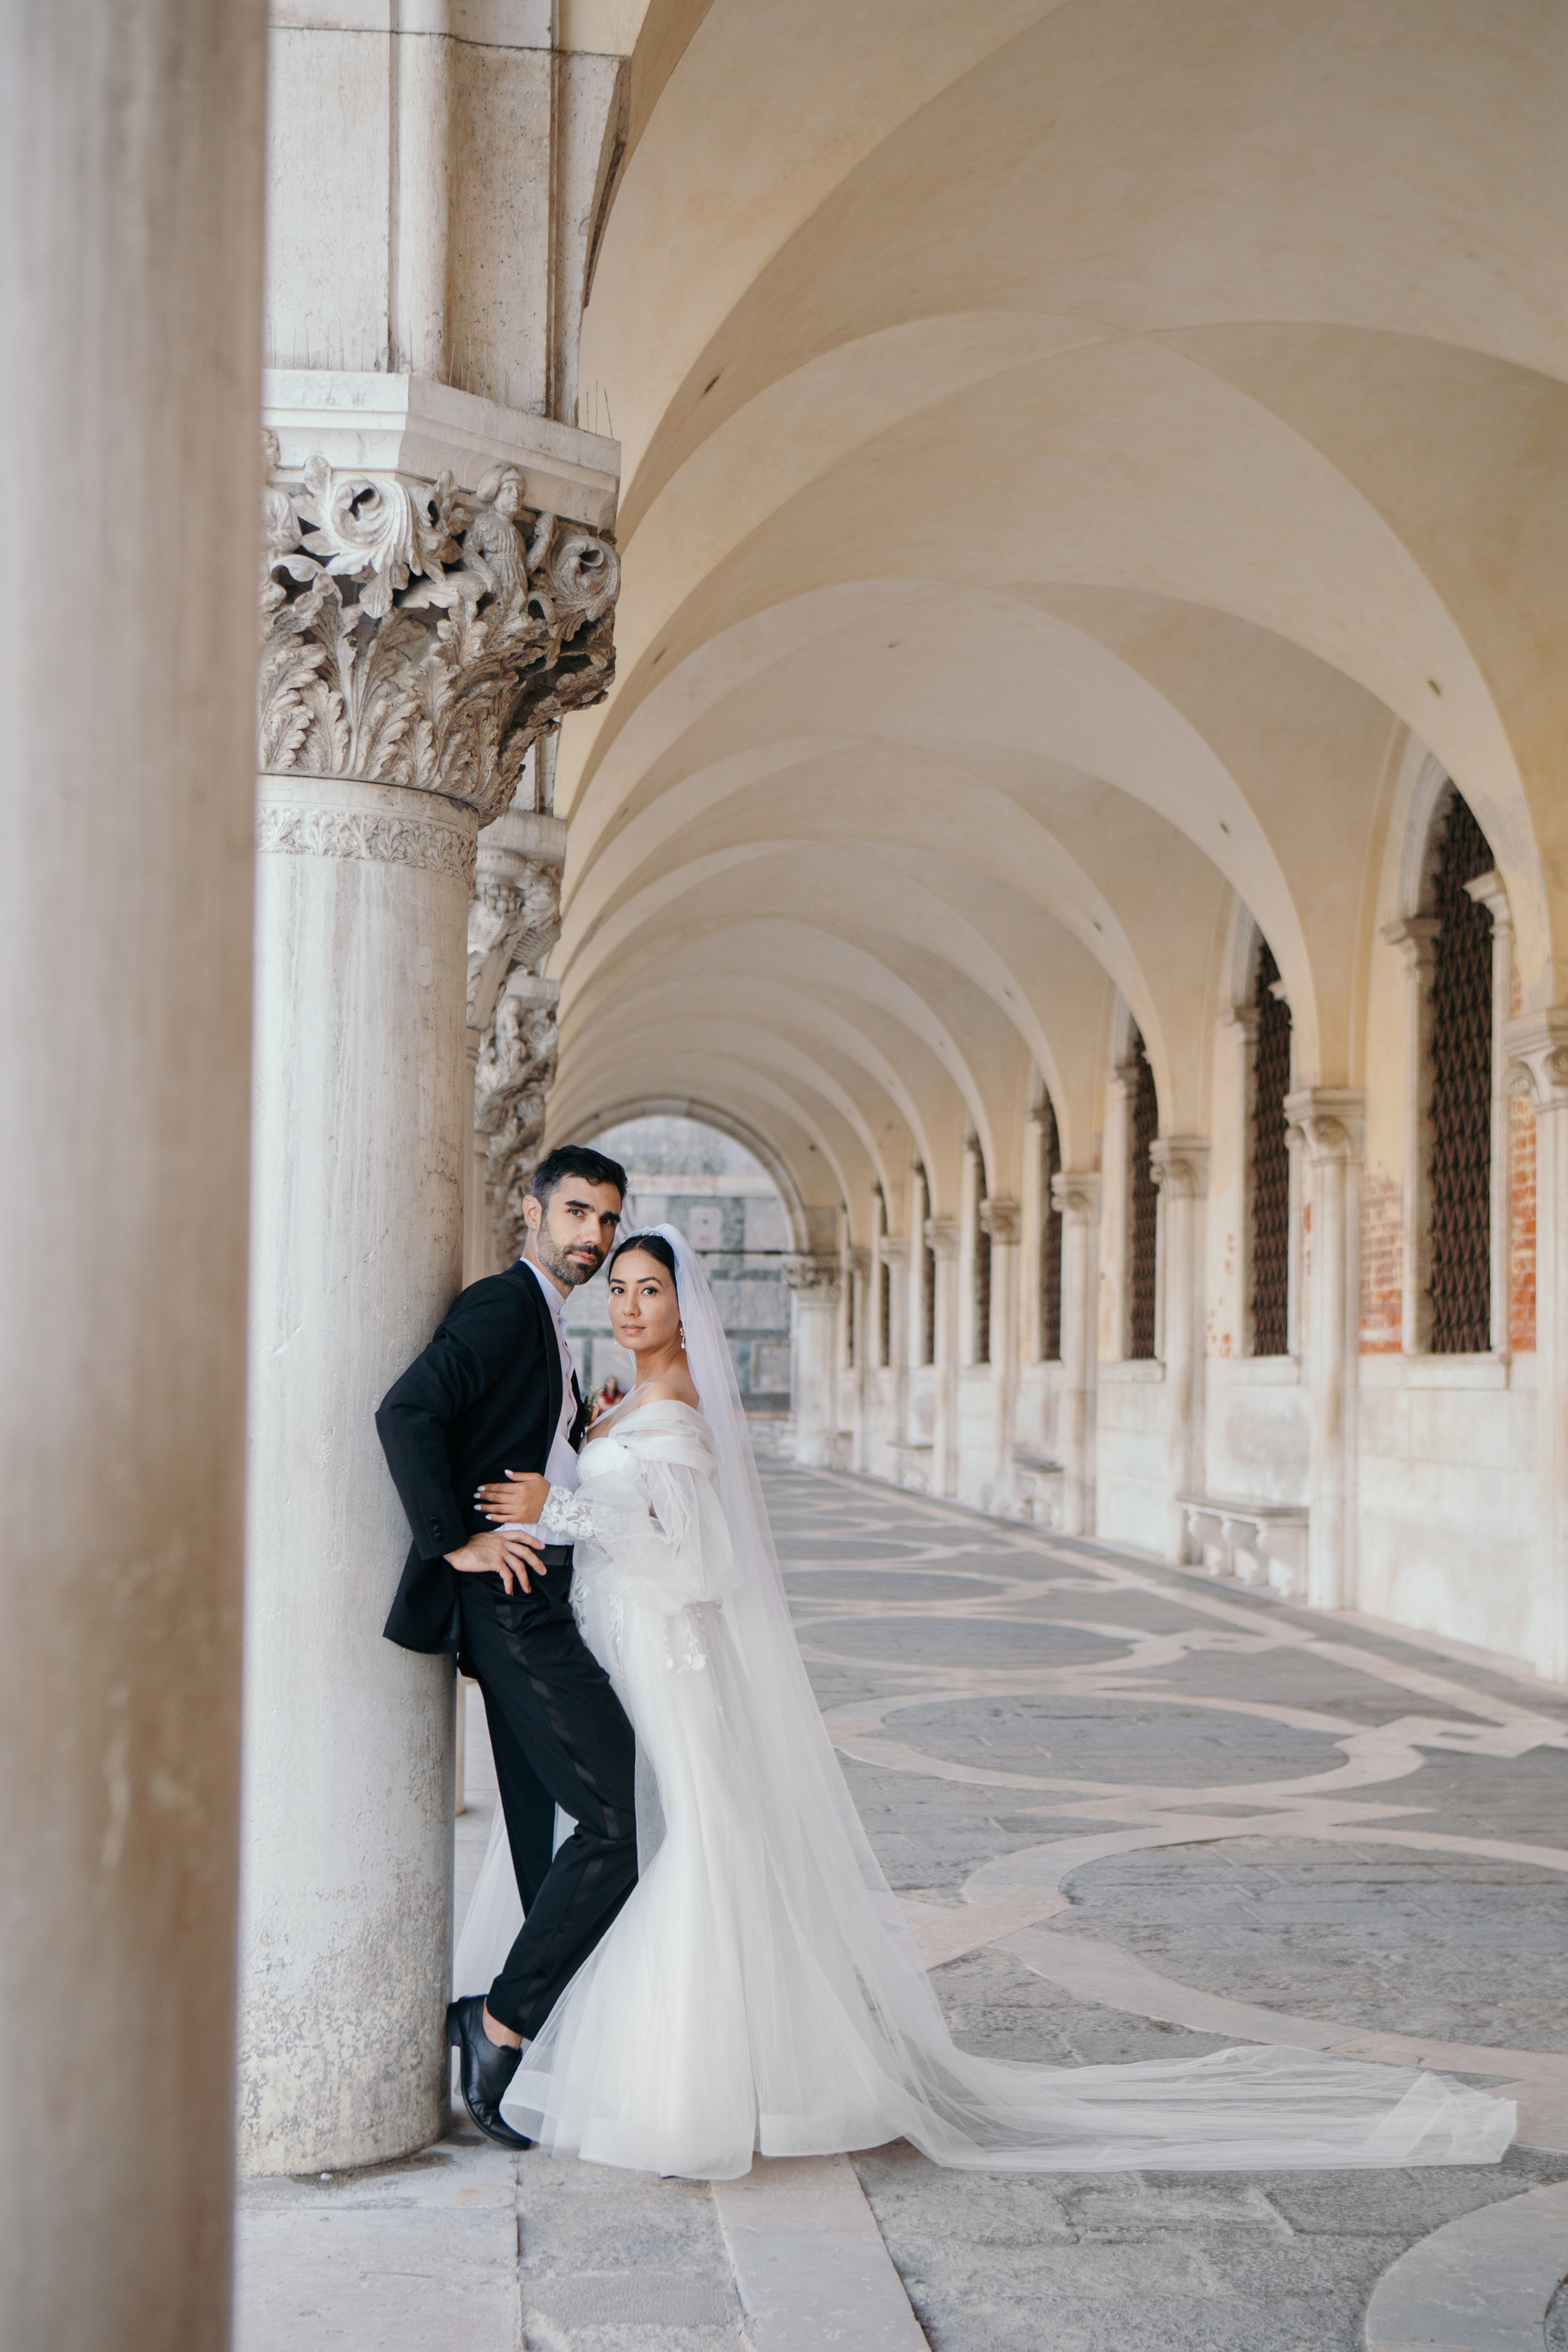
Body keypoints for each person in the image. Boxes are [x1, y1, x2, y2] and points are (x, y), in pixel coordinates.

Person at [460, 1227, 1515, 2182]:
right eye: (624, 1291)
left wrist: (567, 1505)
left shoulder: (681, 1408)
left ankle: (670, 2081)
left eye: (651, 1289)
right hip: (626, 1652)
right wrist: (587, 1481)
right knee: (639, 1835)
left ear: (687, 1308)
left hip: (664, 1659)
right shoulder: (637, 1400)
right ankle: (577, 2042)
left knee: (674, 1840)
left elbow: (698, 1558)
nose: (631, 1303)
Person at [375, 1144, 635, 2147]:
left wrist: (583, 1442)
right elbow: (406, 1411)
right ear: (532, 1211)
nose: (592, 1237)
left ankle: (533, 2033)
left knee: (546, 1826)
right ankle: (499, 2024)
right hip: (515, 1608)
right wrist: (459, 1544)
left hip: (537, 1601)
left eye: (607, 1221)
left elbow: (510, 1436)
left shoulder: (546, 1321)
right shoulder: (502, 1302)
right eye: (577, 1213)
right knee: (622, 1817)